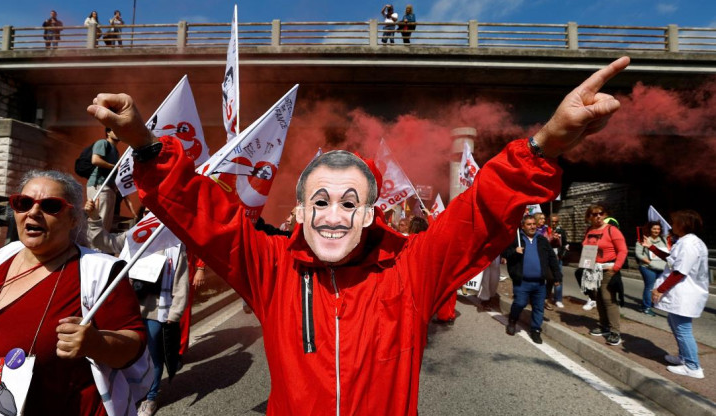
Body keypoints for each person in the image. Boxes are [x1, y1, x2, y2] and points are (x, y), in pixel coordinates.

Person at [86, 56, 631, 416]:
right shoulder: (272, 267)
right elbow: (206, 214)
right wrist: (146, 142)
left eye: (350, 202)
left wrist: (544, 147)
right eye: (319, 201)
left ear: (372, 214)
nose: (333, 215)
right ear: (299, 211)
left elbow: (481, 212)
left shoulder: (412, 267)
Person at [0, 170, 148, 415]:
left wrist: (97, 343)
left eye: (51, 206)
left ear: (74, 218)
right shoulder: (4, 256)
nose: (33, 212)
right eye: (24, 203)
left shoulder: (99, 270)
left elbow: (133, 347)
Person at [84, 200, 190, 416]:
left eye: (156, 213)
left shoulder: (175, 245)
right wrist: (94, 217)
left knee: (152, 355)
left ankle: (150, 398)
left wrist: (174, 314)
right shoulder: (132, 238)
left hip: (157, 310)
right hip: (127, 306)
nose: (151, 217)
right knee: (125, 350)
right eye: (147, 212)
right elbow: (105, 243)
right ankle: (129, 391)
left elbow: (181, 282)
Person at [645, 210, 708, 379]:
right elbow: (672, 259)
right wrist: (651, 247)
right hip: (681, 292)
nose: (671, 225)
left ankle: (693, 367)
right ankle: (683, 358)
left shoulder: (689, 244)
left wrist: (659, 290)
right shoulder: (685, 242)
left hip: (686, 293)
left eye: (674, 222)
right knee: (675, 324)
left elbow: (679, 272)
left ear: (684, 224)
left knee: (683, 329)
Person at [503, 215, 562, 344]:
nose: (532, 226)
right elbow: (504, 253)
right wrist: (514, 251)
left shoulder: (542, 240)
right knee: (520, 303)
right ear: (523, 226)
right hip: (522, 282)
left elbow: (552, 258)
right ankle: (512, 321)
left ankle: (535, 330)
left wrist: (557, 276)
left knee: (539, 307)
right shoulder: (516, 238)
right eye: (529, 224)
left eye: (534, 224)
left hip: (540, 283)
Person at [580, 203, 627, 346]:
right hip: (593, 270)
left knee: (608, 299)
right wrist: (585, 267)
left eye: (601, 213)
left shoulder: (612, 230)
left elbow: (623, 250)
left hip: (608, 269)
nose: (598, 216)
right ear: (589, 217)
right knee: (598, 298)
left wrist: (616, 267)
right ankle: (604, 325)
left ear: (605, 215)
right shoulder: (589, 230)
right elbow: (587, 249)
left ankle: (615, 331)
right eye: (594, 214)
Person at [86, 127, 120, 234]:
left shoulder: (116, 151)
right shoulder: (103, 143)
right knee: (99, 219)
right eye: (116, 130)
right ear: (108, 133)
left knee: (106, 223)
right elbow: (95, 160)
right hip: (100, 186)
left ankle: (100, 247)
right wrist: (114, 167)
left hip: (109, 187)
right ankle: (93, 248)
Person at [635, 220, 667, 316]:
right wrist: (649, 262)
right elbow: (638, 254)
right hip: (648, 268)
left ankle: (651, 303)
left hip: (661, 268)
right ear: (650, 229)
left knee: (657, 287)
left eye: (658, 229)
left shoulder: (663, 240)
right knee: (650, 287)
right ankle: (646, 307)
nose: (656, 230)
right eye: (654, 229)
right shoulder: (643, 240)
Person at [547, 213, 568, 308]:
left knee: (558, 277)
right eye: (552, 221)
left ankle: (558, 299)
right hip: (547, 257)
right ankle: (545, 296)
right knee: (547, 277)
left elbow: (565, 244)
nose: (554, 223)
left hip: (557, 257)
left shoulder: (561, 231)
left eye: (556, 221)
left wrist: (562, 253)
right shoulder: (545, 230)